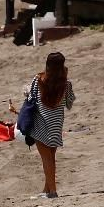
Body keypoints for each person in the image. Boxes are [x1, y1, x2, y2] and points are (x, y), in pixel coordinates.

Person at [23, 51, 74, 199]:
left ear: (47, 65)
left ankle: (52, 192)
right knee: (50, 158)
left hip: (41, 123)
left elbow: (30, 98)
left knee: (47, 159)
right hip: (56, 124)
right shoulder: (66, 84)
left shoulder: (38, 80)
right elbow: (69, 103)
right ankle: (46, 189)